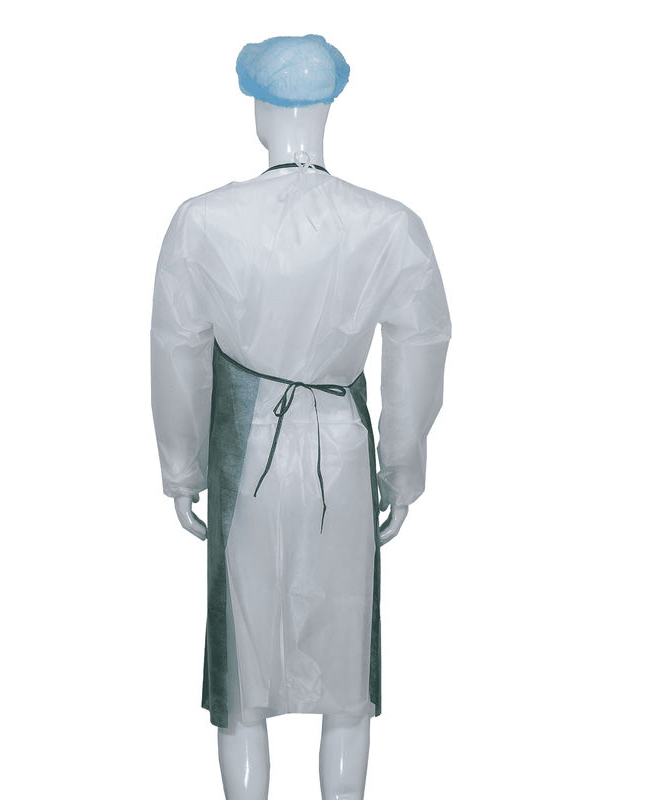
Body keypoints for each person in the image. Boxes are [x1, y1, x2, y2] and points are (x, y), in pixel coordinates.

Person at [150, 33, 452, 800]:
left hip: (246, 455)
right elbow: (420, 344)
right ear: (328, 105)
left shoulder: (203, 221)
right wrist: (401, 470)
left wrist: (182, 468)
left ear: (259, 107)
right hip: (341, 454)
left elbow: (178, 350)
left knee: (244, 666)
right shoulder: (387, 223)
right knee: (345, 666)